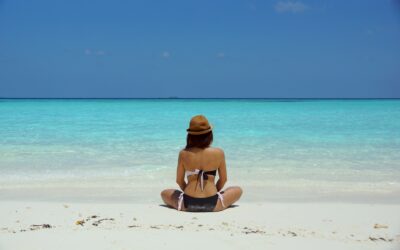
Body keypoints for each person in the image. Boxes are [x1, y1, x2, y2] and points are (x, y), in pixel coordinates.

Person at [161, 115, 242, 212]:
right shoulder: (219, 152)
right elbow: (223, 179)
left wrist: (191, 192)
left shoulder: (184, 153)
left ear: (190, 135)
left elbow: (179, 180)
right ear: (209, 134)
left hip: (187, 204)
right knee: (237, 190)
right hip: (213, 204)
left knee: (164, 193)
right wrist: (213, 192)